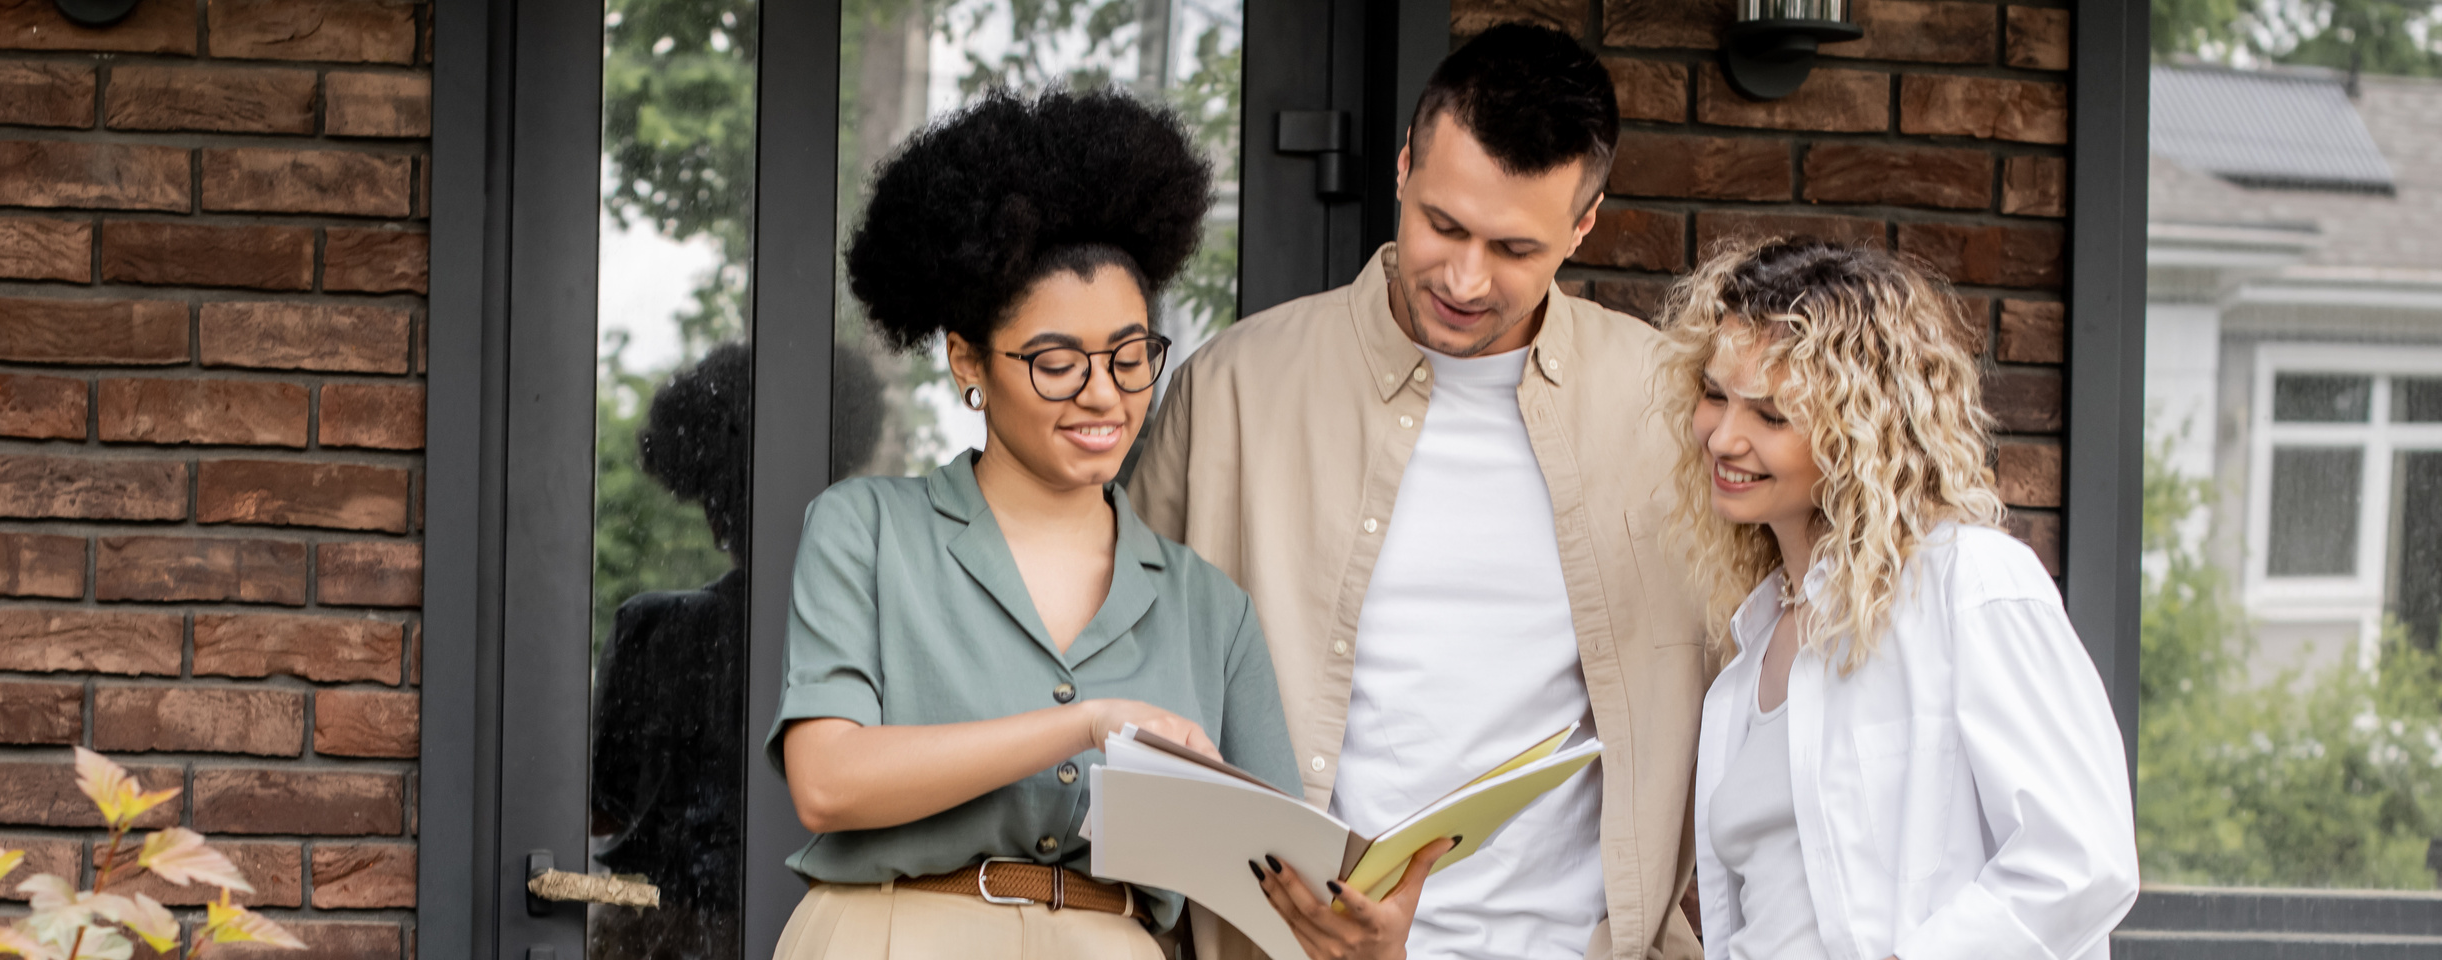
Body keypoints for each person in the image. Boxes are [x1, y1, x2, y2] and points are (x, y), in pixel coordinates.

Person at [1125, 22, 1707, 960]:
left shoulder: (1671, 407)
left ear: (1584, 227)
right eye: (1444, 225)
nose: (1466, 279)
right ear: (1401, 169)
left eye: (1514, 247)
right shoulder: (1236, 389)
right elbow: (1129, 679)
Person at [769, 89, 1303, 960]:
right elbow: (827, 783)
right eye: (1057, 363)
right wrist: (1086, 724)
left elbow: (1279, 867)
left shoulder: (1212, 610)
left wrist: (1360, 922)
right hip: (894, 934)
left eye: (1131, 357)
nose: (1105, 393)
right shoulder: (863, 531)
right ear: (967, 360)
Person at [1660, 238, 2136, 960]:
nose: (1725, 437)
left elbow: (2079, 862)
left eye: (1772, 416)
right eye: (1716, 396)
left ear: (1859, 432)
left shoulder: (1970, 586)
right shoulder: (1750, 648)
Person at [588, 341, 885, 960]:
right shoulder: (876, 632)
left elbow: (601, 811)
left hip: (658, 934)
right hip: (824, 926)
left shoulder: (649, 630)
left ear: (713, 513)